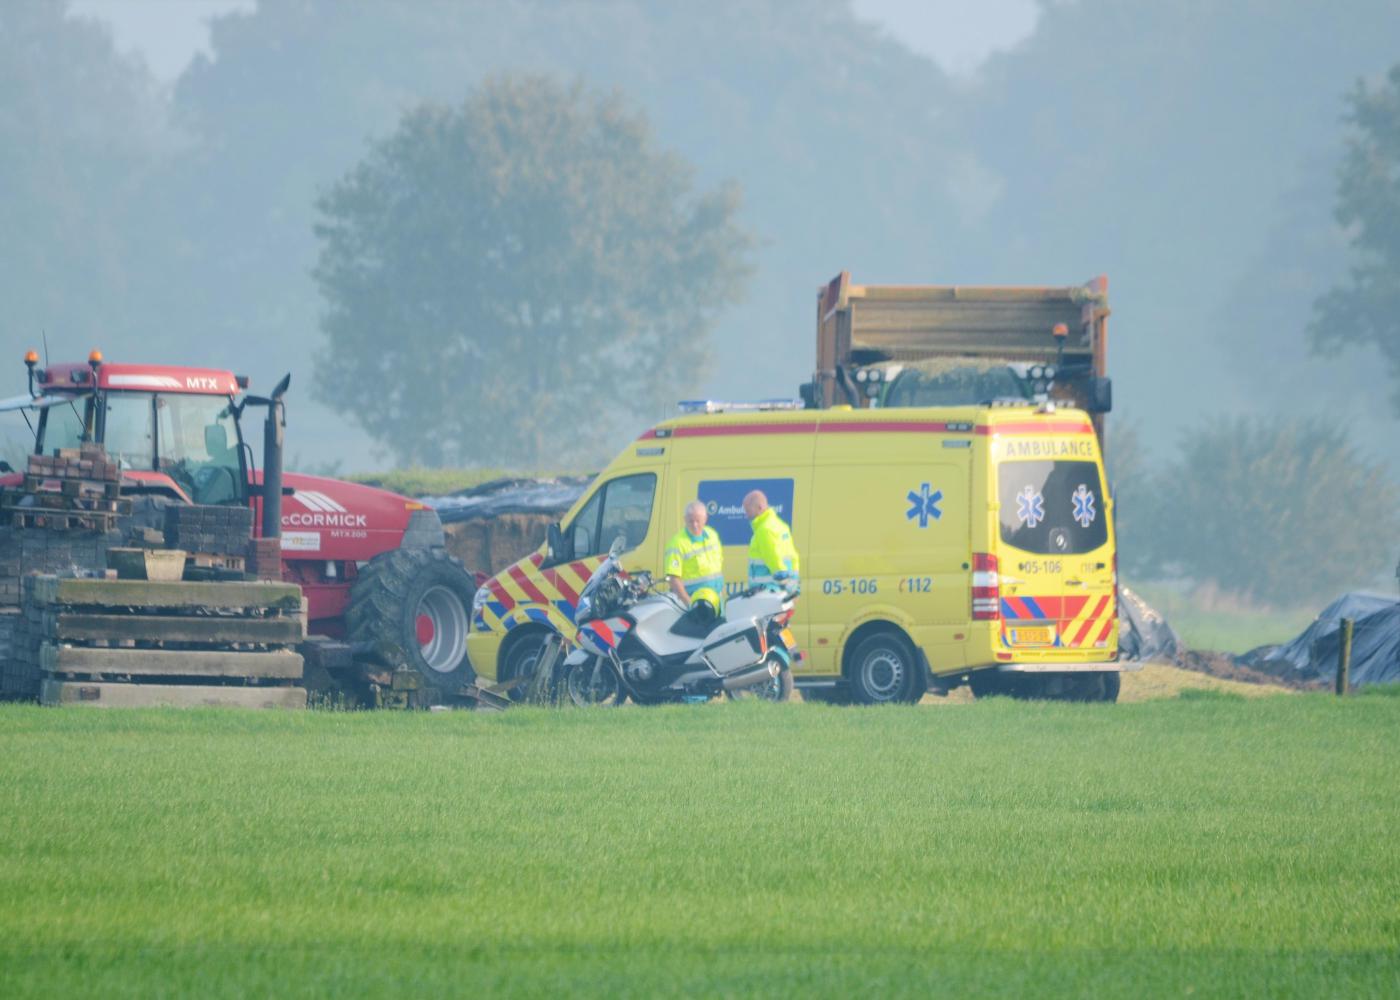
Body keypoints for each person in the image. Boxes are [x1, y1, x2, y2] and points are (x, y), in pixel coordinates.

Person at [662, 500, 724, 608]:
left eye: (698, 521)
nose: (695, 525)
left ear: (705, 519)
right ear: (684, 520)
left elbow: (717, 569)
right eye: (691, 521)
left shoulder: (712, 535)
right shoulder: (676, 544)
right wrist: (689, 603)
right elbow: (673, 578)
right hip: (697, 603)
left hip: (716, 599)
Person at [742, 490, 799, 591]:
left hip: (767, 591)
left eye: (748, 511)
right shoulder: (780, 525)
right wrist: (793, 586)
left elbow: (774, 560)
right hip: (784, 590)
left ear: (760, 508)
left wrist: (785, 584)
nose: (746, 515)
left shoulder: (764, 530)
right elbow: (793, 557)